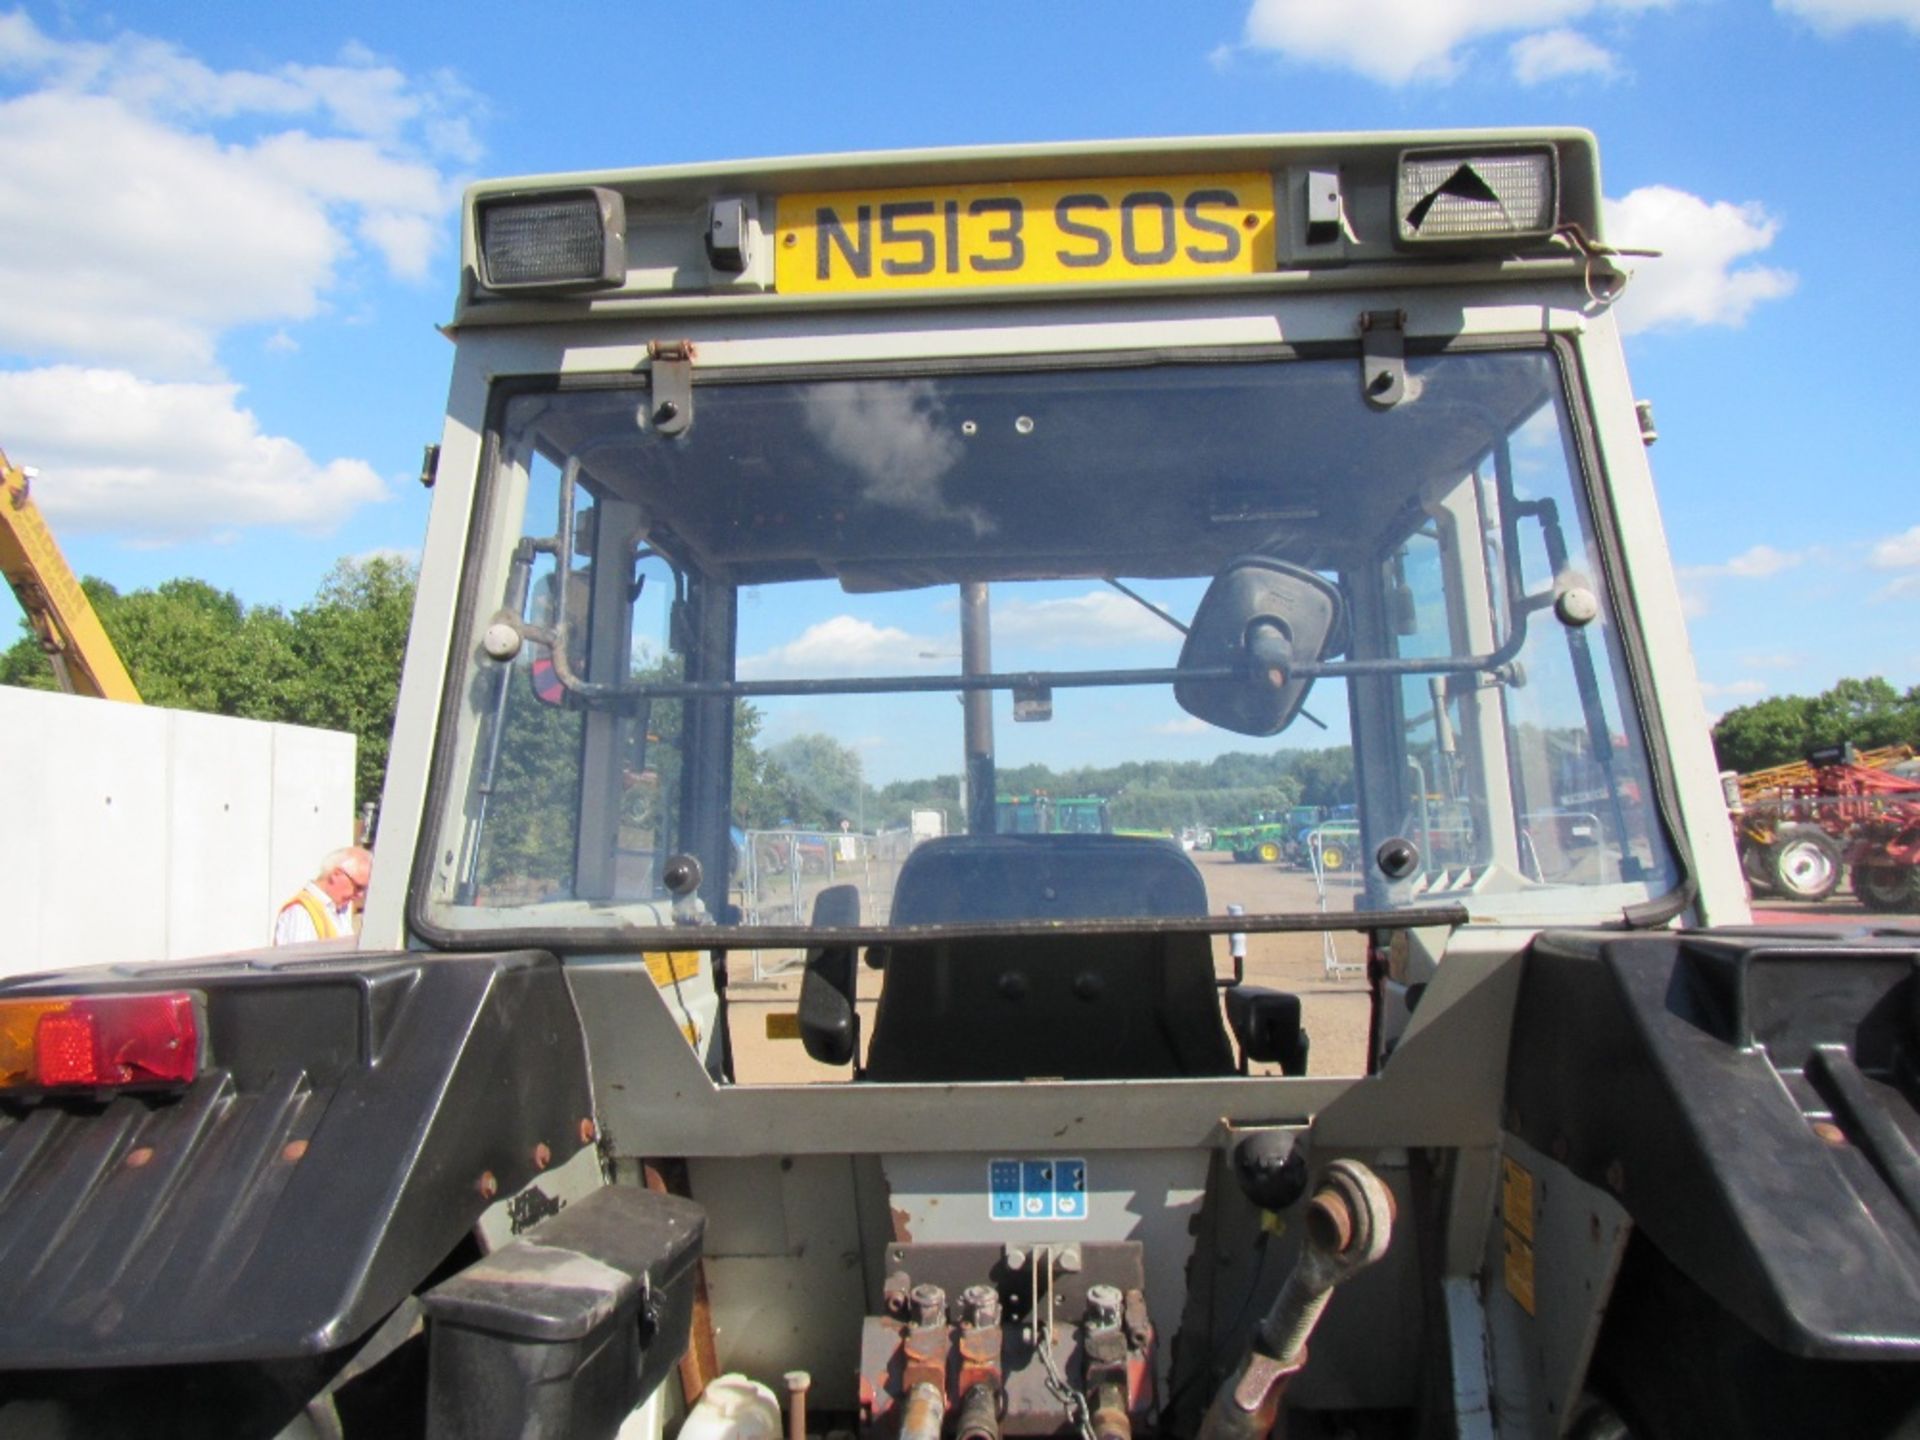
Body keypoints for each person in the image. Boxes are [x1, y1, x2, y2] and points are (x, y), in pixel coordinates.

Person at [273, 846, 372, 945]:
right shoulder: (301, 912)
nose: (360, 895)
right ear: (336, 875)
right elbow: (297, 958)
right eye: (358, 887)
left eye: (364, 889)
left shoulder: (338, 911)